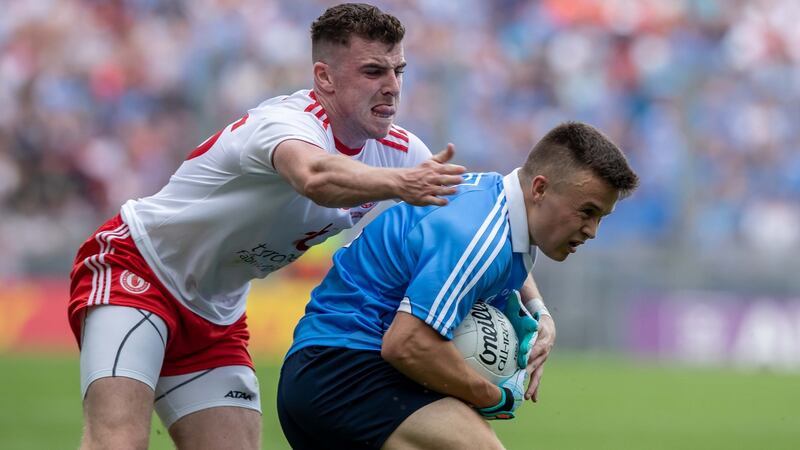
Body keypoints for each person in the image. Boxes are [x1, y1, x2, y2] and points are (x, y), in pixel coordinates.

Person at [66, 4, 475, 450]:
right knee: (118, 441)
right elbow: (314, 177)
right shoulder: (283, 123)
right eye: (374, 71)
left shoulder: (401, 151)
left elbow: (471, 224)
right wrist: (402, 183)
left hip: (216, 313)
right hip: (138, 269)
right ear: (324, 77)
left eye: (399, 70)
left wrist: (536, 308)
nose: (392, 87)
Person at [277, 121, 639, 450]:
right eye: (587, 212)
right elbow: (408, 344)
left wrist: (539, 311)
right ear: (540, 189)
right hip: (343, 372)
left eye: (601, 217)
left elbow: (497, 253)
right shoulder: (478, 236)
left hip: (326, 369)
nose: (592, 231)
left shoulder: (497, 203)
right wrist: (493, 396)